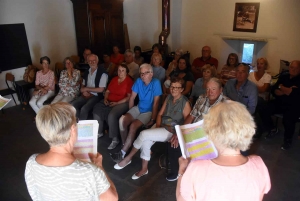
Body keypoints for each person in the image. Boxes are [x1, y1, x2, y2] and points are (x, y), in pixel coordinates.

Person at [176, 101, 271, 201]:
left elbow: (181, 199)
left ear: (212, 132)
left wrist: (181, 171)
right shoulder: (258, 164)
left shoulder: (196, 168)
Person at [25, 102, 118, 200]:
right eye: (76, 121)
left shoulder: (31, 162)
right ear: (73, 129)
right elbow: (112, 198)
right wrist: (99, 167)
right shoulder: (90, 171)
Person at [114, 78, 191, 181]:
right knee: (146, 142)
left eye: (177, 87)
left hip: (171, 131)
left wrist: (176, 135)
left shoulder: (185, 103)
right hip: (161, 126)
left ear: (182, 89)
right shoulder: (168, 97)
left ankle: (128, 158)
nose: (173, 89)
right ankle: (144, 169)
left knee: (143, 134)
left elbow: (187, 123)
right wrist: (157, 128)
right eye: (172, 87)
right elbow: (160, 114)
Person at [110, 64, 162, 162]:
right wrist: (130, 112)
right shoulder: (138, 81)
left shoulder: (156, 83)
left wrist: (152, 119)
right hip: (138, 108)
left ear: (151, 73)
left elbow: (156, 104)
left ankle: (123, 152)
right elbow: (132, 98)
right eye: (141, 74)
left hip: (149, 111)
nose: (142, 76)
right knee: (122, 120)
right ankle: (125, 146)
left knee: (133, 126)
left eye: (145, 73)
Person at [260, 60, 300, 150]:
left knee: (288, 118)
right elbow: (274, 90)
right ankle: (272, 129)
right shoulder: (284, 76)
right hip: (280, 102)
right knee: (264, 108)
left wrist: (281, 87)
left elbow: (294, 94)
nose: (293, 69)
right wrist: (286, 90)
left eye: (296, 68)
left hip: (294, 105)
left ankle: (288, 140)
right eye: (291, 67)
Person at [93, 64, 133, 149]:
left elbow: (129, 97)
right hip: (109, 100)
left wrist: (117, 103)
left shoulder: (129, 81)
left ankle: (115, 139)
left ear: (126, 72)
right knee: (97, 109)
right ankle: (99, 132)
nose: (120, 72)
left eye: (123, 70)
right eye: (119, 70)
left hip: (122, 103)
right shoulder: (114, 79)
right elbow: (107, 91)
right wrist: (105, 99)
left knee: (112, 115)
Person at [72, 54, 108, 120]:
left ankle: (82, 127)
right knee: (72, 105)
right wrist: (83, 91)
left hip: (96, 96)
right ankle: (76, 123)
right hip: (86, 94)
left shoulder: (102, 73)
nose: (92, 62)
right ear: (87, 62)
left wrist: (86, 89)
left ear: (97, 61)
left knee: (84, 108)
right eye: (90, 61)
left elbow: (101, 89)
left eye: (94, 61)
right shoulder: (87, 71)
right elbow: (83, 84)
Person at [248, 58, 271, 139]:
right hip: (250, 97)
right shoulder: (251, 74)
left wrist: (253, 86)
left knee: (257, 104)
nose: (259, 65)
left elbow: (263, 90)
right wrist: (258, 88)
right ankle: (259, 128)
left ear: (265, 66)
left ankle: (259, 129)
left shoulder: (267, 76)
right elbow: (248, 88)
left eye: (261, 63)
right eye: (258, 63)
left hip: (261, 98)